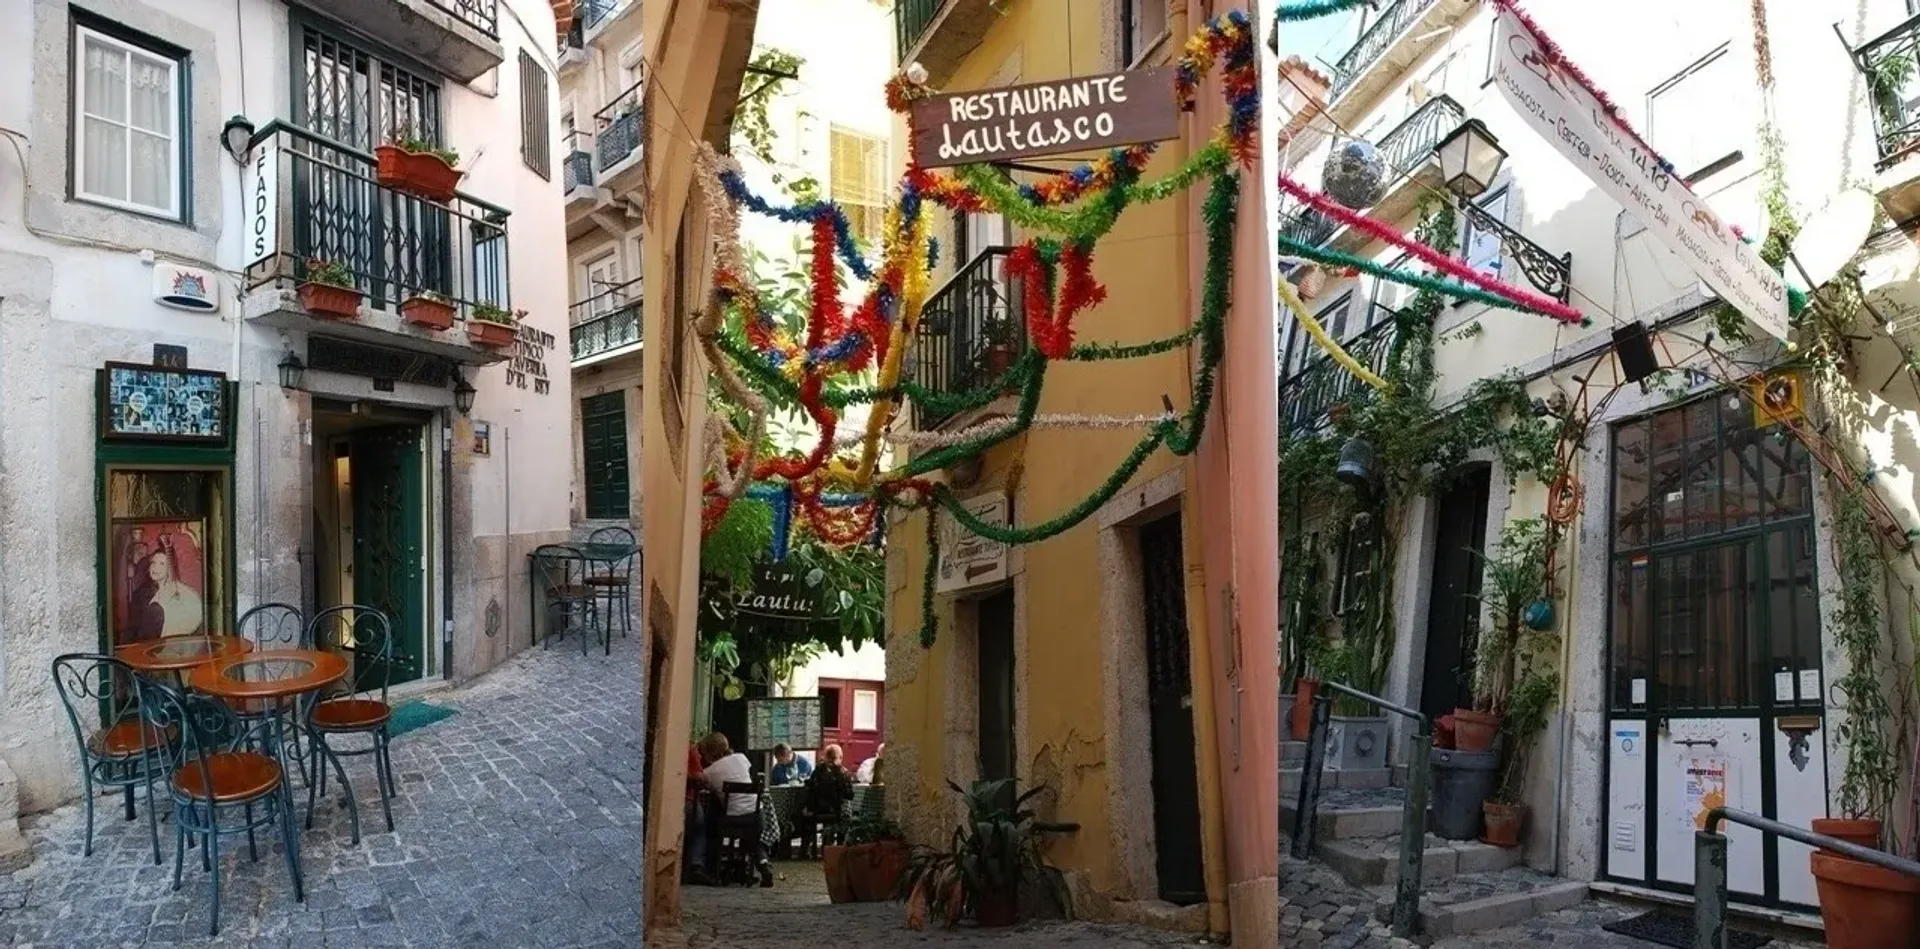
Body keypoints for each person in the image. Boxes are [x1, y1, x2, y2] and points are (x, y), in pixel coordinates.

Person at [696, 732, 772, 887]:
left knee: (713, 830)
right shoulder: (741, 758)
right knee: (754, 840)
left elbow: (708, 790)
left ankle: (714, 869)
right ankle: (763, 865)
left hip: (733, 819)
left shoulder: (708, 773)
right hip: (757, 815)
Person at [145, 551, 204, 637]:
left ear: (171, 568)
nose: (155, 567)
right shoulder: (152, 594)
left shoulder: (185, 593)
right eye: (153, 562)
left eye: (162, 564)